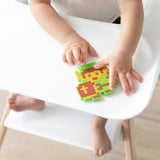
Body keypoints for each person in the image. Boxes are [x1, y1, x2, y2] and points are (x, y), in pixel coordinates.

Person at [7, 0, 144, 157]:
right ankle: (36, 98)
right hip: (59, 22)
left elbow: (131, 5)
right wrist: (69, 38)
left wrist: (124, 52)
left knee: (110, 77)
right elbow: (39, 4)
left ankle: (98, 123)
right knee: (43, 60)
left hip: (107, 24)